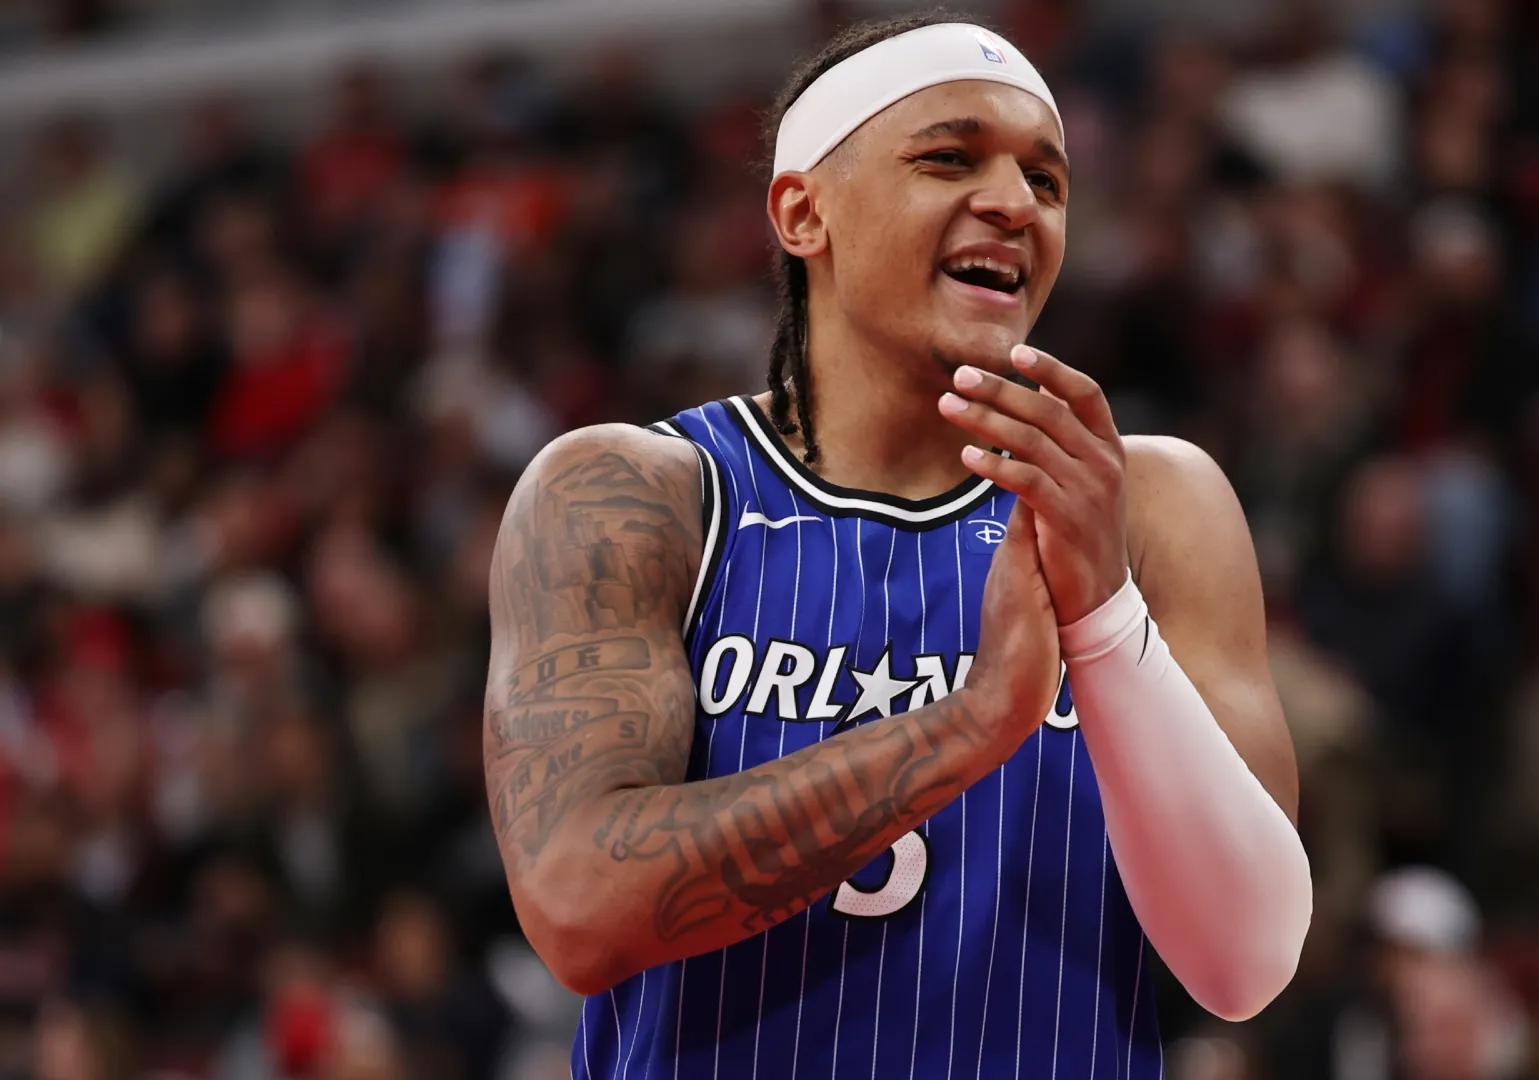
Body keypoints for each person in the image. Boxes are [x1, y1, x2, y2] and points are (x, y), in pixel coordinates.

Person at [481, 13, 1313, 1079]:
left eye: (1048, 182)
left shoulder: (1153, 505)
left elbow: (1245, 963)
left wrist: (1104, 618)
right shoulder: (635, 493)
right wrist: (970, 726)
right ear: (802, 212)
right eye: (949, 158)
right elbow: (579, 907)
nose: (1016, 203)